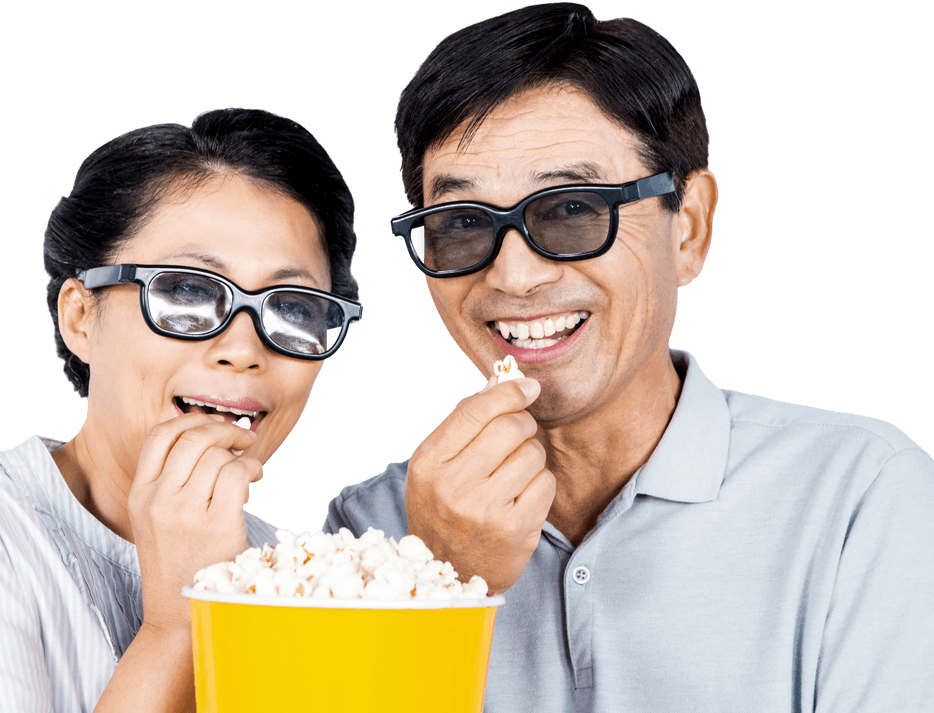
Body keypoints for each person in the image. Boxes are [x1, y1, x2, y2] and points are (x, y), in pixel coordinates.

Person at [323, 4, 934, 711]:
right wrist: (435, 588)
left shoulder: (864, 498)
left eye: (574, 207)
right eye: (462, 223)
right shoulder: (373, 533)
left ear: (690, 228)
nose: (514, 277)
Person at [0, 108, 362, 711]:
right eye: (189, 292)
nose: (244, 349)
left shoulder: (303, 578)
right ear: (81, 318)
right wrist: (182, 619)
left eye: (294, 308)